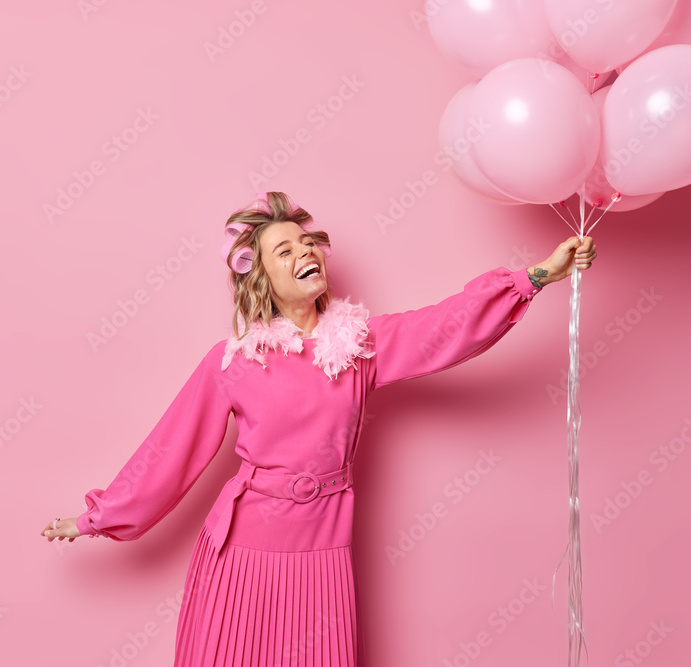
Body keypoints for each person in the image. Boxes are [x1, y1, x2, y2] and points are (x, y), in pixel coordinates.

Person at [40, 191, 597, 666]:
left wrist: (540, 274)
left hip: (322, 548)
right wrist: (98, 516)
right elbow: (172, 449)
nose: (305, 250)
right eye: (284, 249)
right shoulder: (235, 360)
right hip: (241, 550)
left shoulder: (358, 346)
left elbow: (445, 326)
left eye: (307, 243)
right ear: (262, 279)